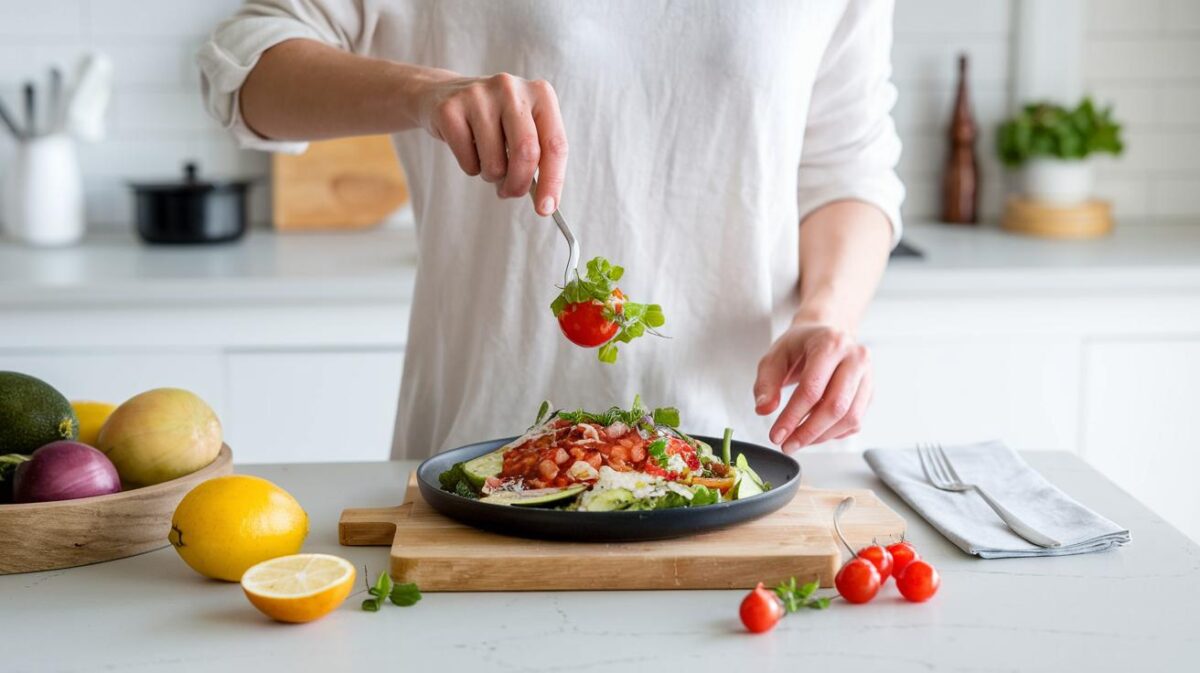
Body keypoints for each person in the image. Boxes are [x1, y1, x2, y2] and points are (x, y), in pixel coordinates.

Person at [199, 1, 904, 459]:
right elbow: (240, 68)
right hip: (484, 458)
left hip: (747, 458)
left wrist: (825, 316)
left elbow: (849, 166)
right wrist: (422, 94)